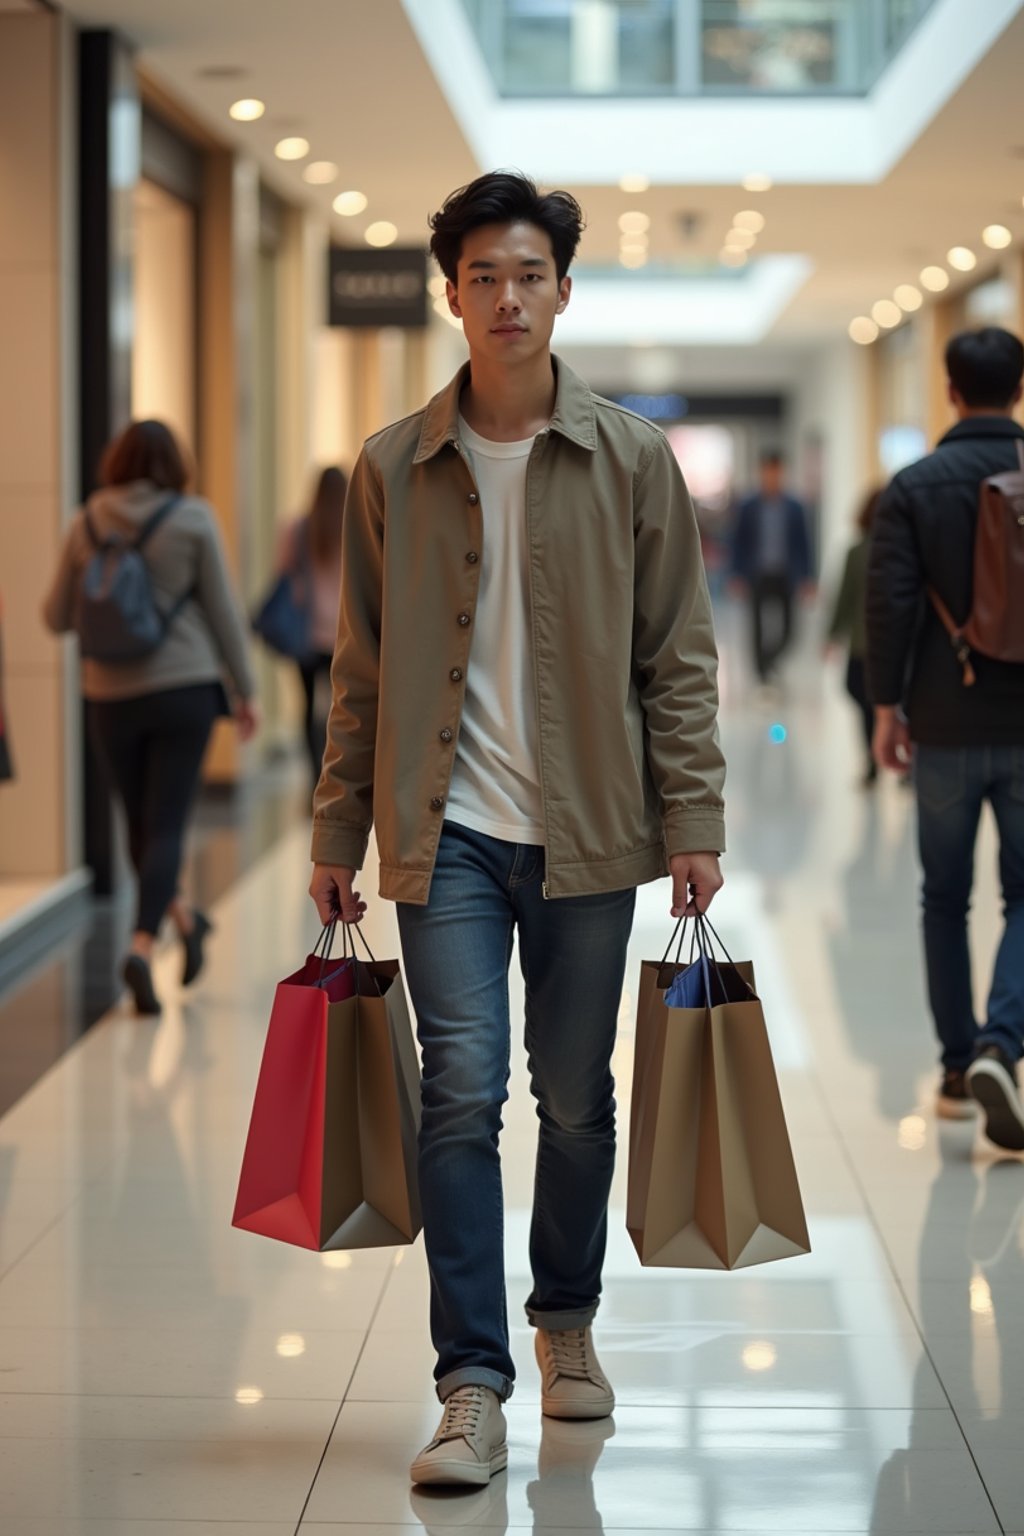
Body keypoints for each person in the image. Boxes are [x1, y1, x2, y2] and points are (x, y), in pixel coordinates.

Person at [308, 171, 726, 1489]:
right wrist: (335, 822)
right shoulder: (392, 467)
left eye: (528, 273)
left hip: (595, 835)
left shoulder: (630, 458)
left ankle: (567, 1323)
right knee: (460, 1095)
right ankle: (471, 1384)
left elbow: (680, 657)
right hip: (450, 839)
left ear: (562, 289)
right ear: (450, 294)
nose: (505, 296)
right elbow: (362, 669)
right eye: (482, 275)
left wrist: (695, 813)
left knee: (580, 1099)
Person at [43, 419, 258, 1016]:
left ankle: (183, 923)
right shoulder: (191, 519)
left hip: (108, 694)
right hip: (184, 688)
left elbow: (55, 616)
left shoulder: (84, 522)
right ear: (174, 464)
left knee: (139, 823)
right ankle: (148, 942)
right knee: (164, 824)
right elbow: (223, 611)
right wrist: (248, 691)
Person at [866, 326, 1024, 1139]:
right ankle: (1006, 1037)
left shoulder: (916, 486)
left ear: (953, 390)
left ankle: (961, 1063)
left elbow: (890, 607)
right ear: (1019, 389)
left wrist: (886, 709)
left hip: (946, 720)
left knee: (943, 897)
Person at [274, 466, 347, 788]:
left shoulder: (299, 528)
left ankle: (313, 774)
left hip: (306, 632)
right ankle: (338, 772)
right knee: (340, 707)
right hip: (344, 633)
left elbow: (285, 572)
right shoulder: (354, 525)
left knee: (306, 707)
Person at [729, 449, 814, 685]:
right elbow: (738, 541)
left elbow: (804, 543)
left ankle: (768, 661)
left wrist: (808, 577)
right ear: (761, 472)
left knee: (790, 630)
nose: (772, 476)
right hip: (757, 574)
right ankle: (762, 677)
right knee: (756, 628)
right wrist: (736, 574)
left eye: (776, 471)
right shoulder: (749, 506)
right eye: (768, 471)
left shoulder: (794, 507)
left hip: (786, 575)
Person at [826, 487, 883, 786]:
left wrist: (832, 636)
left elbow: (844, 597)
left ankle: (874, 761)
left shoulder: (857, 551)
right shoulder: (901, 548)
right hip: (889, 645)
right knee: (891, 704)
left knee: (863, 700)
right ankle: (895, 763)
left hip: (862, 644)